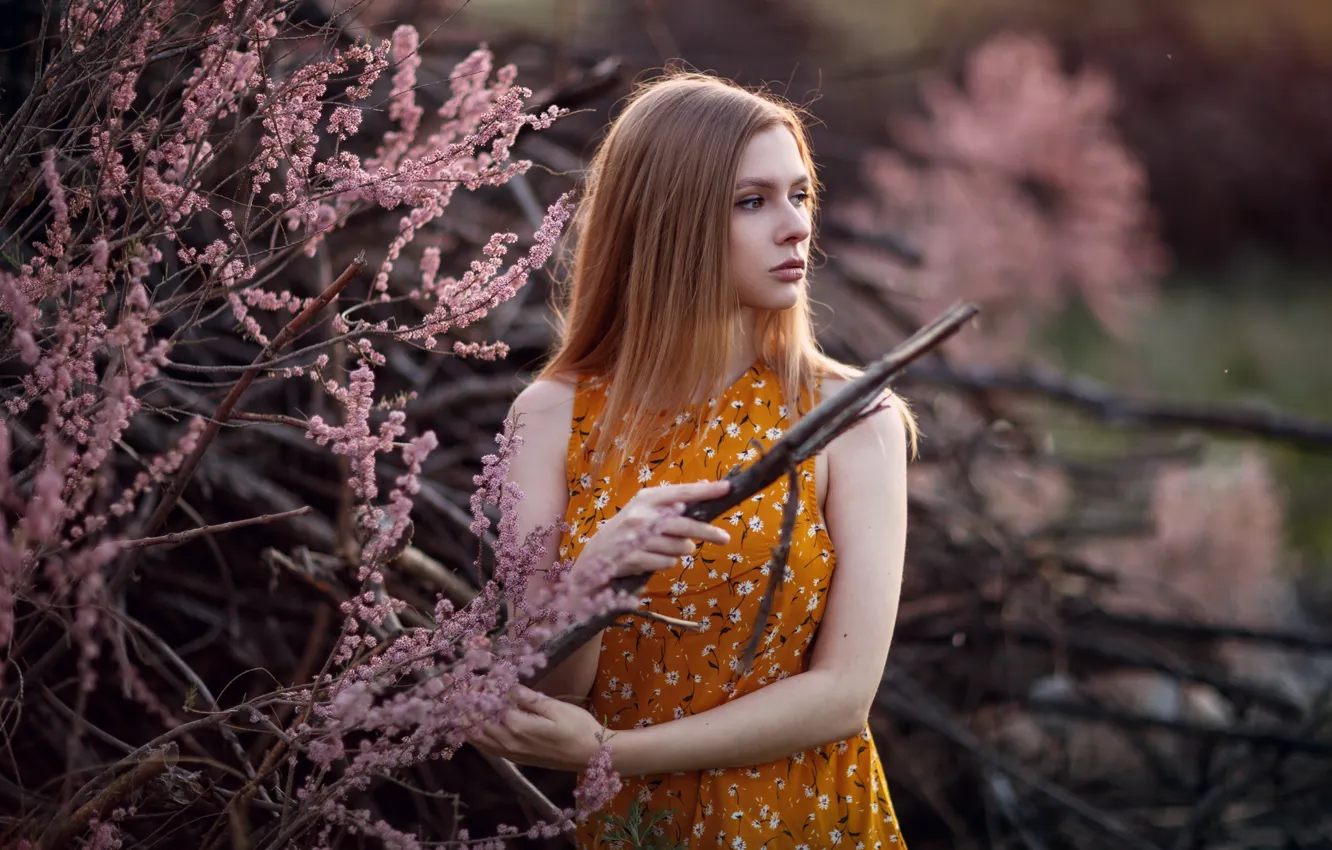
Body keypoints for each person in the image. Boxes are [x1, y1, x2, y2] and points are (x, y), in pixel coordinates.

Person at [472, 71, 914, 848]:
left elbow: (844, 695)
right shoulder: (549, 418)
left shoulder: (853, 417)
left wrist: (612, 754)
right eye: (753, 201)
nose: (794, 227)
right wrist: (594, 580)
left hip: (809, 823)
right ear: (668, 220)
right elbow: (544, 697)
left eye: (799, 195)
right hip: (638, 832)